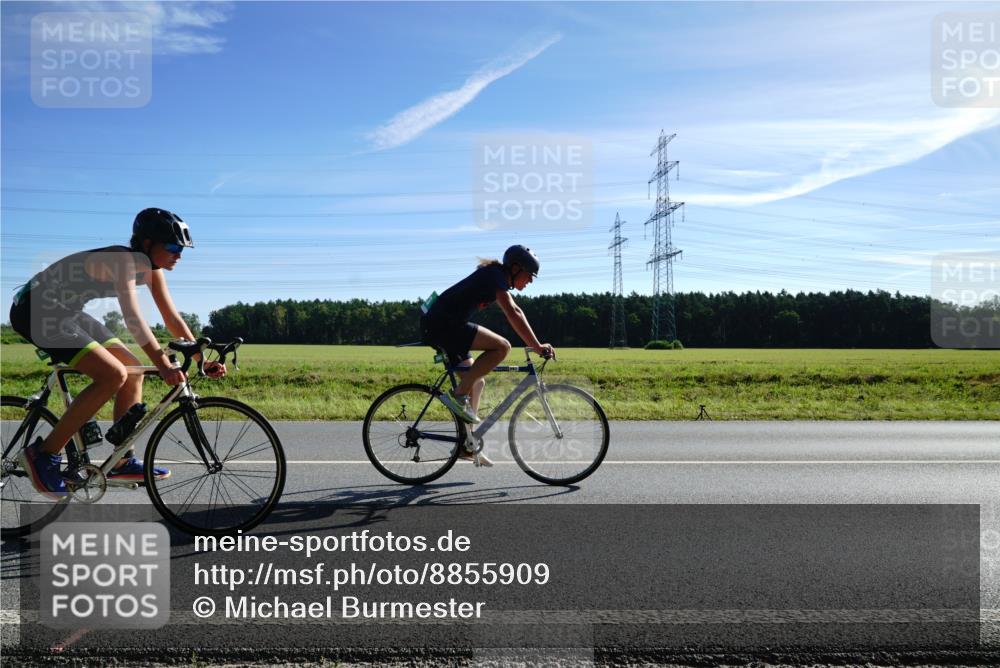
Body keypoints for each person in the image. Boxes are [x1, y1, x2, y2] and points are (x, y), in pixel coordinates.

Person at [9, 208, 226, 498]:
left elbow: (172, 319)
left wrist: (202, 359)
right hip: (35, 310)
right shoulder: (124, 261)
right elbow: (134, 319)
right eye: (173, 247)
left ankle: (121, 461)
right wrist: (162, 363)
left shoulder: (153, 271)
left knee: (132, 370)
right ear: (147, 244)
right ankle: (44, 454)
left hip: (68, 312)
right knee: (112, 374)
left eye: (182, 249)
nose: (179, 255)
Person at [420, 245, 554, 465]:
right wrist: (537, 346)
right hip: (443, 326)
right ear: (515, 268)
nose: (530, 281)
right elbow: (513, 313)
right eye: (529, 275)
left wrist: (536, 344)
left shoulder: (496, 277)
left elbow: (517, 310)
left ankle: (466, 445)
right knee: (502, 347)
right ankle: (457, 395)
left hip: (443, 326)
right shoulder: (495, 275)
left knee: (476, 381)